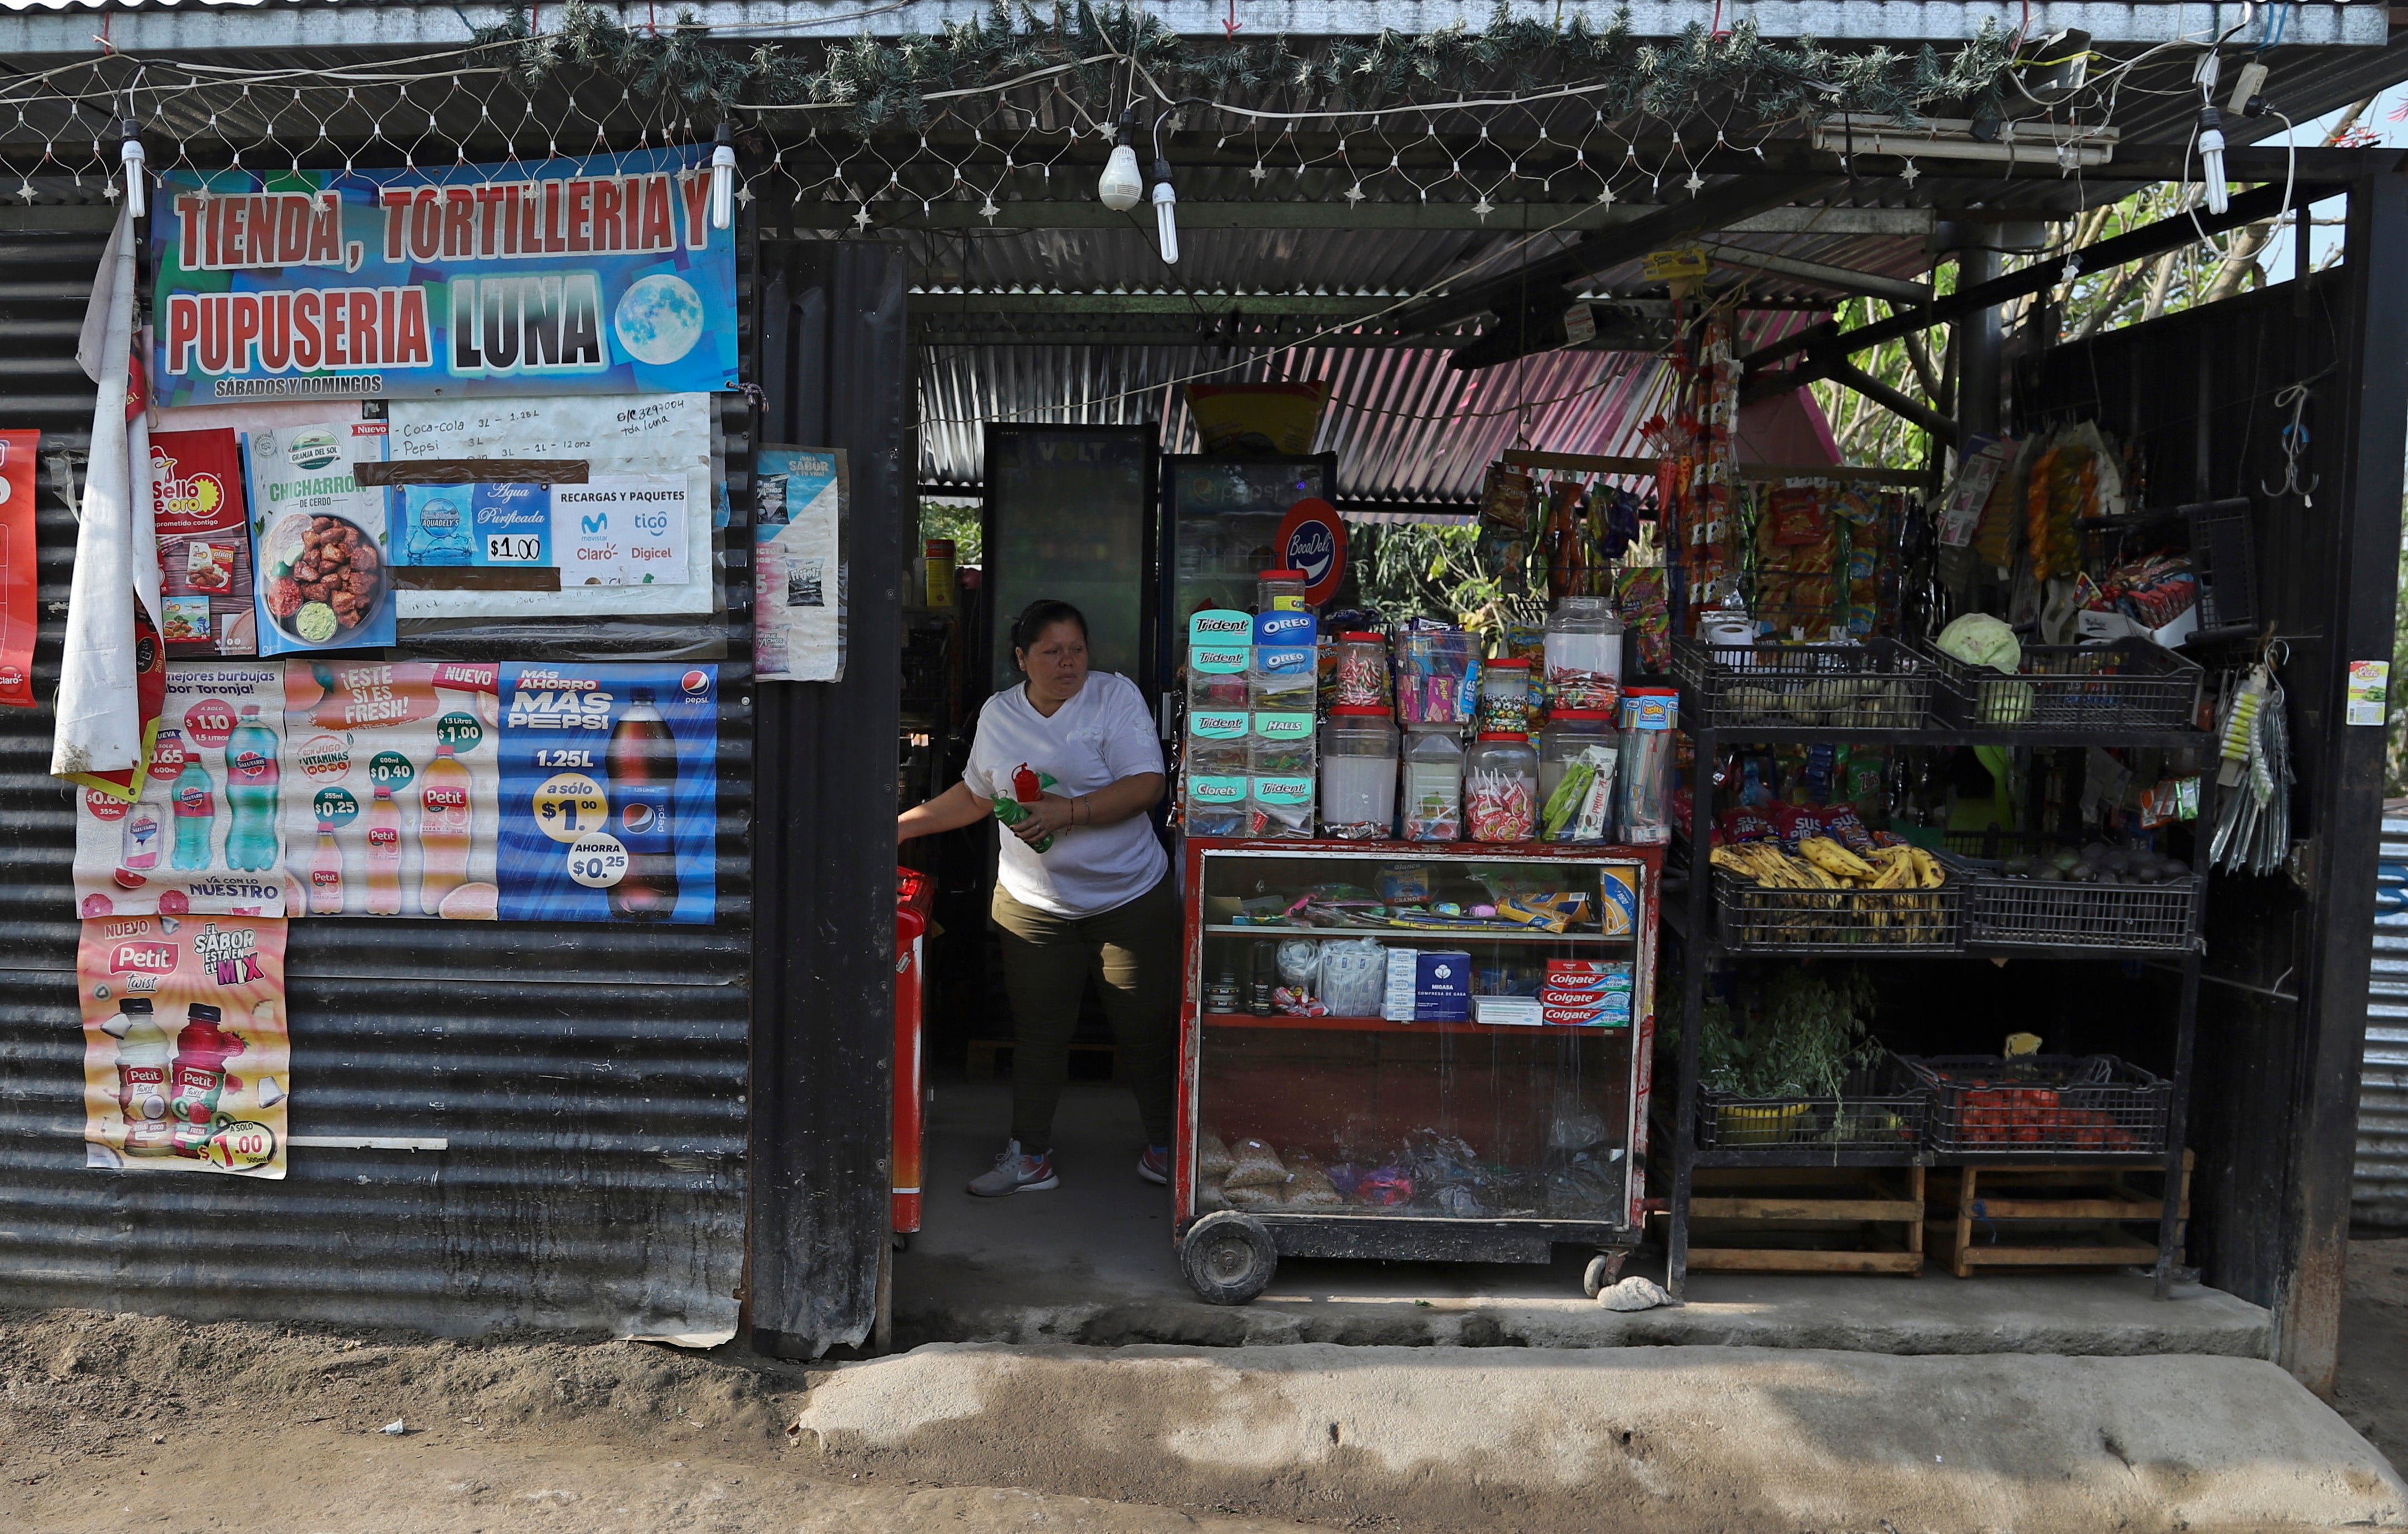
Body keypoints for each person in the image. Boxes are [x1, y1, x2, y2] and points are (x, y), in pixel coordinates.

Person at [896, 599, 1175, 1197]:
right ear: (1022, 659)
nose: (1067, 661)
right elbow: (975, 796)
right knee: (1038, 1035)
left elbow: (1147, 785)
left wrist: (1068, 811)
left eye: (1076, 648)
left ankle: (1169, 1150)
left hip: (1128, 897)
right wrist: (898, 826)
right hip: (1033, 906)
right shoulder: (999, 713)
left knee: (1146, 1030)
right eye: (1051, 651)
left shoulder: (1113, 698)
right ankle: (1029, 1154)